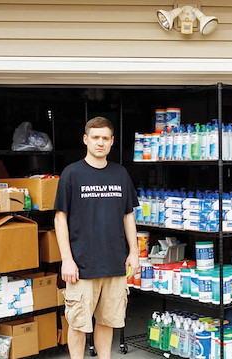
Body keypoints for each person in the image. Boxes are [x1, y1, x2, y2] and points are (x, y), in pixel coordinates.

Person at [54, 116, 140, 359]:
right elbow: (60, 218)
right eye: (95, 137)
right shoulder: (72, 174)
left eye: (105, 138)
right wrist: (67, 259)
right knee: (78, 323)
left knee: (107, 322)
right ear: (85, 139)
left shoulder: (120, 174)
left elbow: (128, 216)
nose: (100, 142)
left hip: (114, 263)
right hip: (81, 265)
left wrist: (133, 253)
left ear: (112, 142)